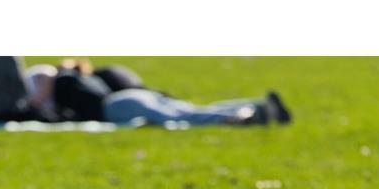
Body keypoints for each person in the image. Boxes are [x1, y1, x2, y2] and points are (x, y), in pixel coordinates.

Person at [26, 60, 291, 126]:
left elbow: (38, 98)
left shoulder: (54, 78)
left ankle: (239, 117)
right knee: (191, 109)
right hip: (136, 94)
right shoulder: (86, 75)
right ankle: (257, 106)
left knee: (183, 119)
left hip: (117, 106)